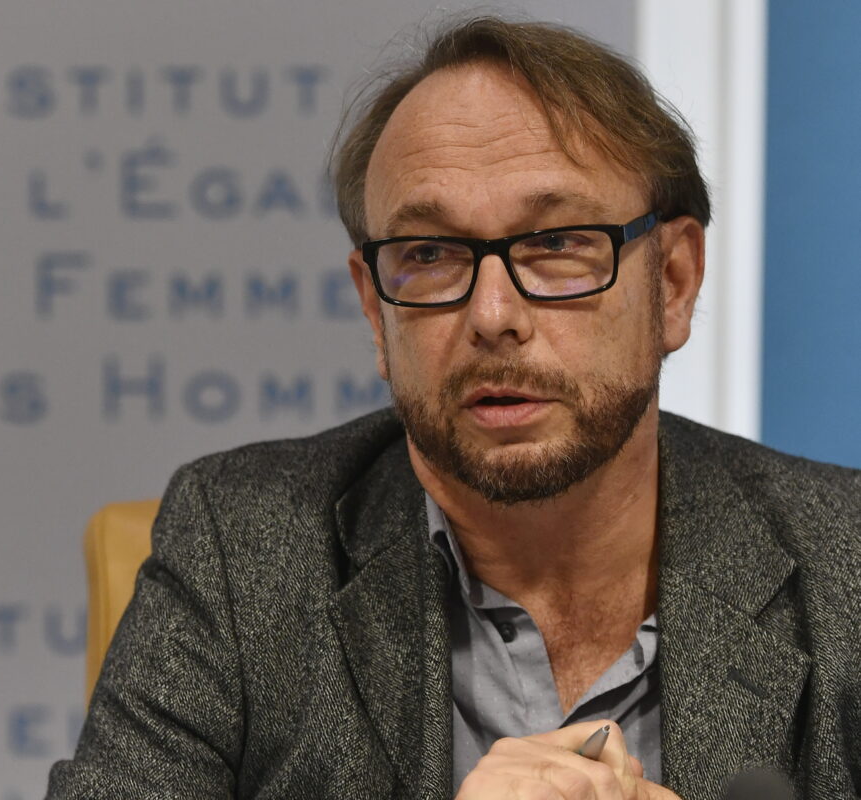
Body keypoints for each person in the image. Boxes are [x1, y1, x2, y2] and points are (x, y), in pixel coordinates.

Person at [47, 16, 861, 800]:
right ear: (376, 312)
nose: (492, 315)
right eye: (431, 254)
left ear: (674, 282)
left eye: (557, 243)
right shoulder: (241, 546)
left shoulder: (845, 561)